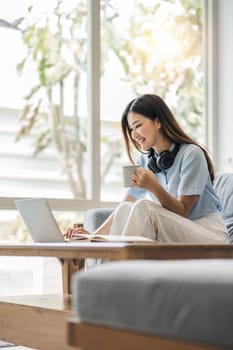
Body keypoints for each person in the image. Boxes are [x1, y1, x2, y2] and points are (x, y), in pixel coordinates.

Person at [66, 94, 228, 243]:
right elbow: (127, 203)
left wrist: (153, 186)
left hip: (209, 233)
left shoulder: (192, 154)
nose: (134, 134)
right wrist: (94, 236)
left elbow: (183, 211)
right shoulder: (145, 161)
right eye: (131, 129)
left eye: (138, 126)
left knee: (145, 207)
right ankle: (113, 268)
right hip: (176, 230)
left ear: (158, 122)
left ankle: (116, 270)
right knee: (126, 208)